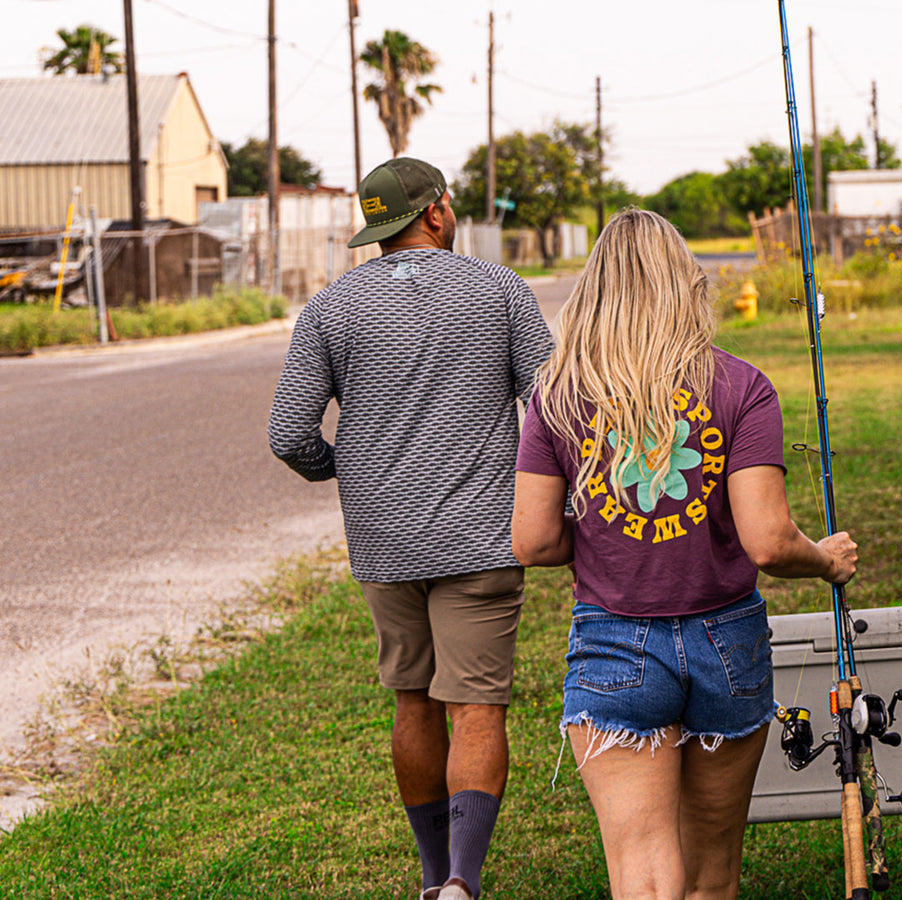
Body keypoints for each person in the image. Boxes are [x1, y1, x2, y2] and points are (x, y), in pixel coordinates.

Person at [511, 208, 858, 900]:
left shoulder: (559, 392)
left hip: (613, 647)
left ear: (597, 287)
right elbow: (767, 540)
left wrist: (609, 541)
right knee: (710, 873)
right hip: (727, 643)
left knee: (643, 874)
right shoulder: (740, 386)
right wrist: (823, 558)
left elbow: (533, 539)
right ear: (684, 283)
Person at [268, 157, 554, 900]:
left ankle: (431, 880)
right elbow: (554, 406)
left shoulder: (329, 310)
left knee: (413, 700)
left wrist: (346, 468)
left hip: (383, 538)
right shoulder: (499, 290)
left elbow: (289, 434)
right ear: (435, 212)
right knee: (477, 704)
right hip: (483, 532)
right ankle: (463, 879)